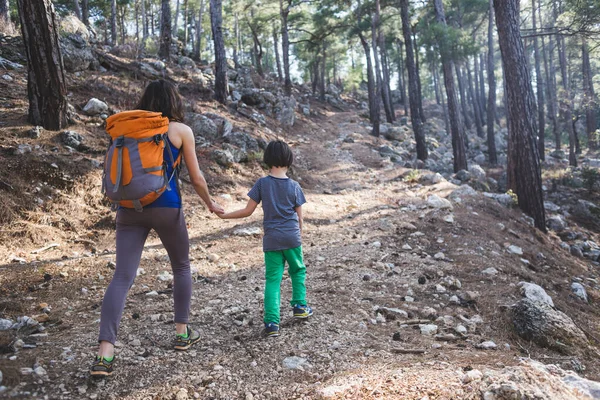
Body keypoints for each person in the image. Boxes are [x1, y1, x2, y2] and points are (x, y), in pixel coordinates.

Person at [90, 80, 224, 377]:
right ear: (174, 101)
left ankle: (104, 354)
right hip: (166, 206)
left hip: (129, 209)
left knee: (122, 277)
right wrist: (210, 204)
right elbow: (197, 178)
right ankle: (181, 333)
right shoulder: (180, 131)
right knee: (181, 266)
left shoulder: (126, 129)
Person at [218, 140, 313, 337]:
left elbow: (247, 211)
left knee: (273, 280)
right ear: (289, 160)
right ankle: (300, 306)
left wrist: (224, 215)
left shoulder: (262, 184)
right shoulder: (294, 186)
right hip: (291, 237)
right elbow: (300, 217)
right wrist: (298, 236)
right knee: (298, 271)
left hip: (271, 240)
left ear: (267, 160)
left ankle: (271, 323)